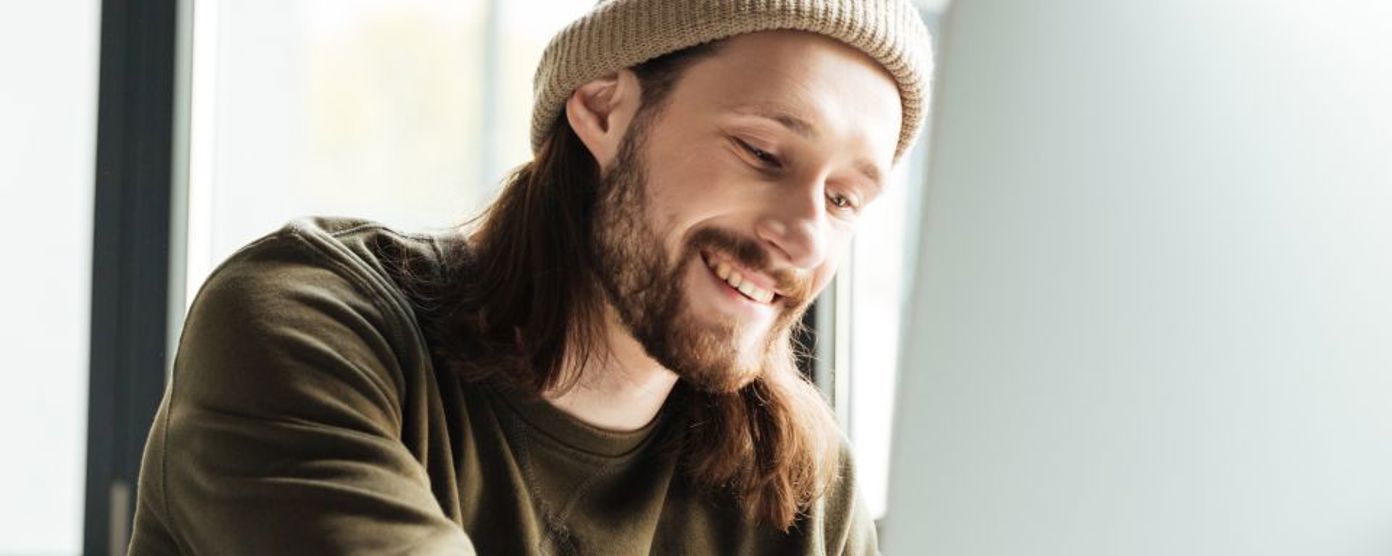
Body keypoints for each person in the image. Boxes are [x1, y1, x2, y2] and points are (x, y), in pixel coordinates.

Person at [127, 0, 932, 553]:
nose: (802, 235)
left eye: (843, 198)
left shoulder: (795, 485)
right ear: (604, 110)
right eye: (761, 153)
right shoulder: (308, 328)